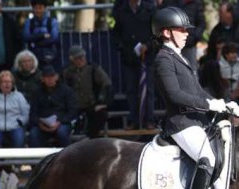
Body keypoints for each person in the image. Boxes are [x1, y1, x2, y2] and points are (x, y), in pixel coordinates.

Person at [152, 6, 239, 189]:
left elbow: (197, 91)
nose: (186, 33)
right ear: (166, 32)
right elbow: (175, 96)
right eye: (181, 29)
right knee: (208, 158)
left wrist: (222, 103)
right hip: (180, 122)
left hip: (195, 119)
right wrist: (209, 106)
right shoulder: (163, 59)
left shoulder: (179, 57)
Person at [113, 0, 156, 130]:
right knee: (131, 90)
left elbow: (156, 33)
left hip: (147, 57)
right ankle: (134, 120)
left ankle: (149, 120)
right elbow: (116, 33)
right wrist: (122, 48)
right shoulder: (121, 9)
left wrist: (147, 45)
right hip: (129, 58)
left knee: (148, 90)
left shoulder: (150, 9)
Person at [61, 45, 114, 138]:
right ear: (72, 59)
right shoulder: (67, 72)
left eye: (82, 57)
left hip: (91, 105)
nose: (81, 60)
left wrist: (104, 103)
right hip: (73, 106)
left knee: (100, 115)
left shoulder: (94, 69)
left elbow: (107, 85)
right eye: (77, 58)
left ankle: (90, 139)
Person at [29, 65, 78, 147]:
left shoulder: (67, 91)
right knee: (33, 134)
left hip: (62, 122)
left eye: (52, 76)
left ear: (57, 77)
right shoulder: (37, 92)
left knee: (62, 132)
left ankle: (66, 156)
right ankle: (36, 158)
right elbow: (33, 113)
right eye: (47, 77)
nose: (50, 79)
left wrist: (60, 122)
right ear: (42, 79)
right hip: (42, 125)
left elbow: (73, 111)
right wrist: (40, 124)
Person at [0, 70, 29, 147]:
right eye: (4, 82)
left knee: (19, 140)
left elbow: (26, 113)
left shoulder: (19, 96)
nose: (7, 84)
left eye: (9, 82)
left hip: (15, 126)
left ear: (12, 84)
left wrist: (20, 122)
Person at [160, 0, 206, 73]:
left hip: (189, 46)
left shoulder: (196, 2)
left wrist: (194, 38)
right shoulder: (167, 2)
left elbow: (201, 23)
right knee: (170, 72)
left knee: (191, 73)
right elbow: (161, 19)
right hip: (170, 45)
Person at [22, 0, 59, 69]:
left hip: (49, 55)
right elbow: (26, 37)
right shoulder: (29, 22)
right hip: (33, 55)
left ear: (45, 8)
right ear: (33, 9)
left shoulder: (52, 21)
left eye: (40, 8)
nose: (38, 11)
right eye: (36, 8)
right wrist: (43, 35)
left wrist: (35, 42)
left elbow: (55, 39)